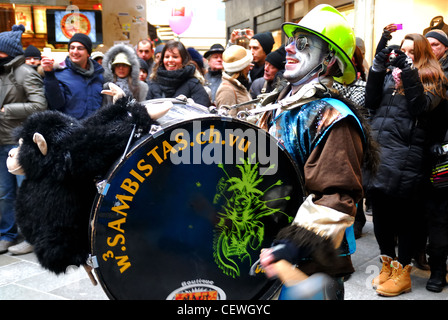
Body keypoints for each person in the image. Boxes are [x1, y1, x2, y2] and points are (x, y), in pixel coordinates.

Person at [257, 5, 377, 300]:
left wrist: (292, 245)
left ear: (330, 60)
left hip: (310, 263)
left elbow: (338, 197)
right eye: (290, 41)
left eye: (303, 44)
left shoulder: (333, 118)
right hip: (273, 247)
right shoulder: (280, 102)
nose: (289, 49)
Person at [364, 33, 448, 296]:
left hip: (409, 155)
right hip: (381, 151)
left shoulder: (434, 78)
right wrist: (377, 68)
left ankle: (403, 272)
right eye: (402, 50)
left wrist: (409, 70)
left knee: (406, 218)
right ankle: (387, 265)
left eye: (411, 51)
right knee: (381, 214)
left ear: (422, 53)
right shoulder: (392, 74)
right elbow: (370, 102)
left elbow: (420, 108)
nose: (405, 55)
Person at [0, 25, 47, 255]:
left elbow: (40, 105)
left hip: (19, 143)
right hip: (0, 141)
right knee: (4, 193)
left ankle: (32, 235)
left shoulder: (26, 72)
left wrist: (6, 110)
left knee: (26, 191)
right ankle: (7, 234)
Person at [423, 29, 448, 292]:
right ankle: (434, 265)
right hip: (427, 151)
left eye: (436, 44)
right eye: (427, 43)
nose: (431, 48)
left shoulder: (442, 74)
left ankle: (438, 269)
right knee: (432, 211)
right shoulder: (422, 70)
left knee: (440, 212)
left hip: (443, 152)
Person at [41, 33, 104, 120]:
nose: (75, 52)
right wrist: (49, 75)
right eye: (72, 48)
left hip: (96, 129)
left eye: (80, 48)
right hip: (72, 129)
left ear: (88, 53)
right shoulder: (60, 74)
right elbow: (55, 104)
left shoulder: (99, 75)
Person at [146, 40, 210, 107]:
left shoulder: (193, 84)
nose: (170, 60)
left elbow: (203, 111)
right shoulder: (153, 83)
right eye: (167, 57)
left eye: (175, 57)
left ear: (183, 60)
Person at [214, 44, 253, 117]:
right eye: (248, 63)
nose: (250, 66)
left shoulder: (239, 85)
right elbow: (229, 122)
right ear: (242, 67)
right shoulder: (226, 90)